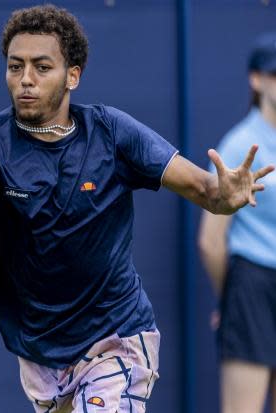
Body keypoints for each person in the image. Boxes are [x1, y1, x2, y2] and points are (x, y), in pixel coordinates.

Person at [0, 6, 273, 412]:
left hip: (117, 335)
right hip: (40, 350)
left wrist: (225, 195)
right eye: (15, 67)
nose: (26, 80)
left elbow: (205, 190)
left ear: (73, 75)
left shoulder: (113, 133)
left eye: (41, 67)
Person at [198, 32, 276, 413]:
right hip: (251, 286)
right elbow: (211, 241)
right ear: (256, 80)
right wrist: (230, 300)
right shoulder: (239, 145)